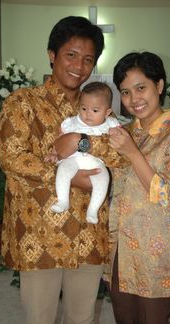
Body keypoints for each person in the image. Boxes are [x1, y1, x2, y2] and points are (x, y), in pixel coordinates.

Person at [0, 16, 125, 324]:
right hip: (40, 236)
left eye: (87, 59)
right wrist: (73, 179)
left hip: (88, 236)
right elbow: (12, 158)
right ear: (52, 54)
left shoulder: (101, 109)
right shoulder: (22, 103)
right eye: (71, 55)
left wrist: (81, 143)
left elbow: (122, 156)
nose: (79, 66)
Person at [106, 51, 170, 324]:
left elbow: (165, 195)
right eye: (125, 92)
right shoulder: (122, 132)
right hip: (119, 250)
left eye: (141, 87)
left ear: (159, 85)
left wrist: (131, 152)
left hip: (154, 252)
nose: (133, 99)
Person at [50, 81, 120, 224]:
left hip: (96, 164)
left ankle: (93, 209)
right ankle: (63, 200)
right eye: (83, 108)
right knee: (63, 170)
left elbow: (121, 143)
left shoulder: (111, 124)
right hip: (73, 159)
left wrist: (116, 133)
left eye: (95, 110)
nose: (88, 114)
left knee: (103, 179)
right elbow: (59, 139)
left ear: (107, 112)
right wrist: (53, 153)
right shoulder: (72, 122)